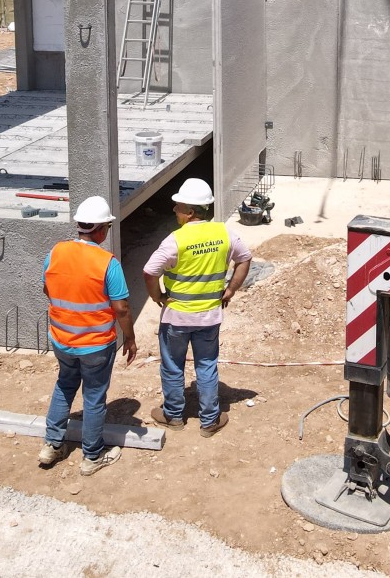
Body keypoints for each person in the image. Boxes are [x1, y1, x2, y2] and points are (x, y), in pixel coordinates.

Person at [143, 178, 251, 438]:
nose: (174, 210)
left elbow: (149, 270)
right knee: (206, 365)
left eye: (178, 206)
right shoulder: (224, 233)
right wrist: (231, 289)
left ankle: (173, 415)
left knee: (172, 366)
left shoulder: (175, 240)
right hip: (209, 317)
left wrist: (157, 295)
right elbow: (244, 258)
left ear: (190, 212)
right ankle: (210, 419)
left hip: (176, 318)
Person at [39, 195, 136, 476]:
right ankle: (92, 456)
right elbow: (121, 307)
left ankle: (52, 445)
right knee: (93, 397)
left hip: (62, 340)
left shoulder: (56, 252)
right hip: (95, 345)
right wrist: (129, 338)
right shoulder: (107, 262)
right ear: (101, 230)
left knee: (64, 386)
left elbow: (47, 288)